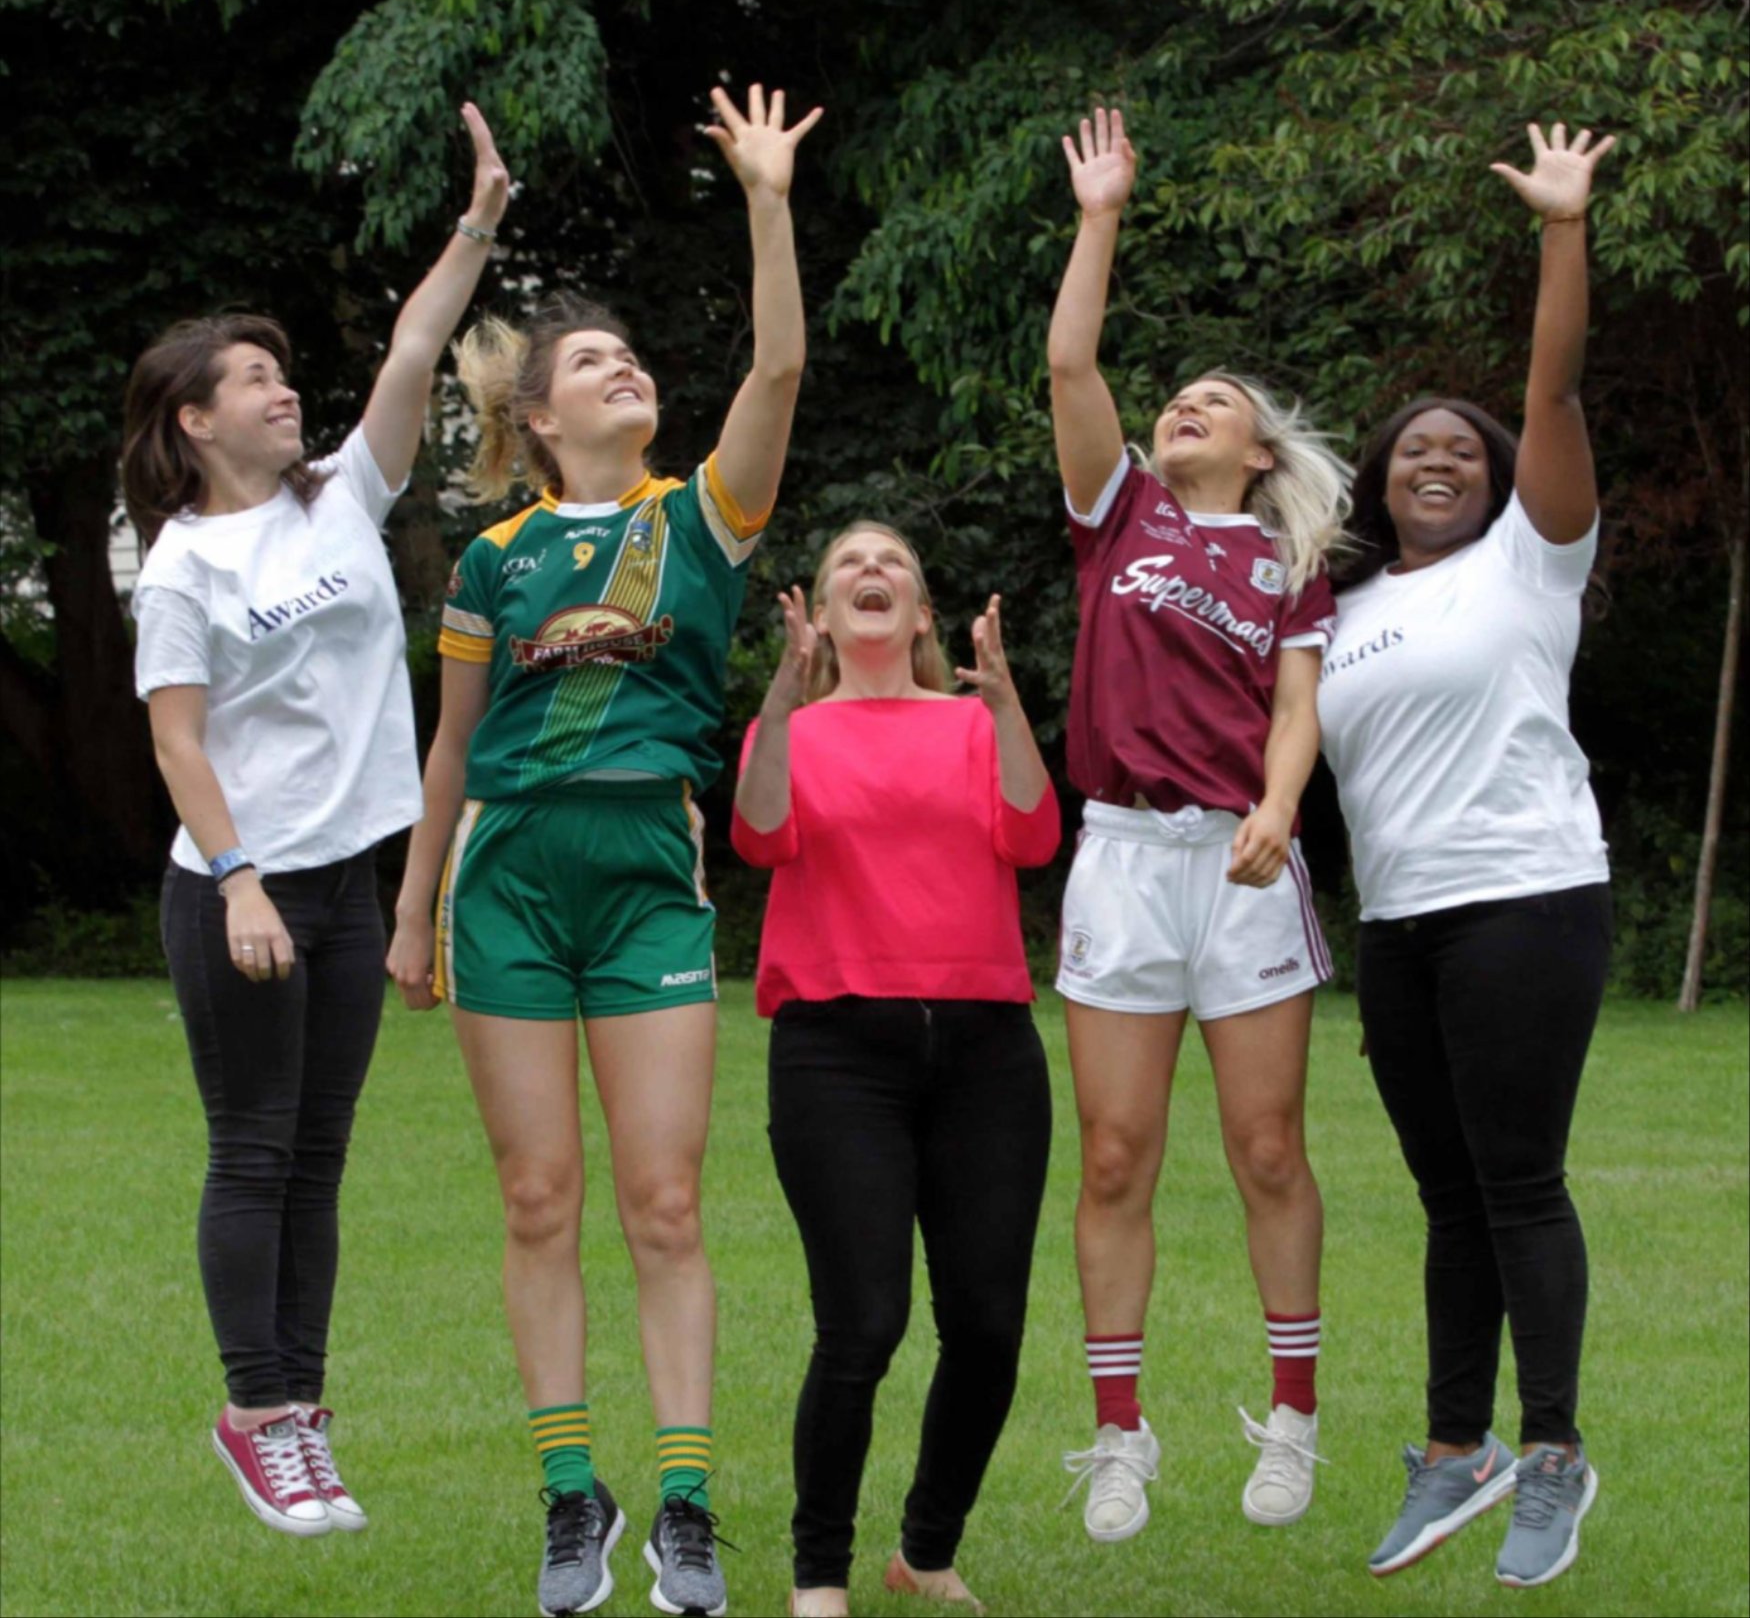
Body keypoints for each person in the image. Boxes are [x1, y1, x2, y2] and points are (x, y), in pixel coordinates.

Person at [386, 84, 820, 1618]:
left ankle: (686, 1511)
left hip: (645, 872)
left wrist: (765, 193)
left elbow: (776, 362)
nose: (621, 366)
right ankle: (574, 1495)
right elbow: (450, 752)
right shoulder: (491, 561)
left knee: (665, 1203)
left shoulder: (700, 519)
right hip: (505, 882)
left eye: (631, 355)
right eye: (589, 361)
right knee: (536, 1200)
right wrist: (411, 909)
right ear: (535, 418)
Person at [124, 106, 511, 1536]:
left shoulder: (343, 496)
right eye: (251, 380)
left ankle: (300, 1414)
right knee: (255, 1148)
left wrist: (475, 220)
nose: (283, 391)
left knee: (323, 1155)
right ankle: (261, 1414)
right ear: (192, 419)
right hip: (239, 886)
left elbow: (412, 350)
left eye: (285, 373)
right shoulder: (183, 563)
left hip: (346, 884)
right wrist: (235, 883)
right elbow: (175, 740)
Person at [1318, 122, 1617, 1591]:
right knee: (1445, 1197)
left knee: (1515, 1180)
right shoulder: (1348, 607)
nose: (1434, 458)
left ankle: (1551, 1451)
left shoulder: (1532, 557)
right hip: (1399, 926)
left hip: (1525, 900)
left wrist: (1560, 226)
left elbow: (1550, 385)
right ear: (1376, 484)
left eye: (1460, 449)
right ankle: (1454, 1449)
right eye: (1409, 449)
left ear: (1495, 479)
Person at [1046, 108, 1353, 1541]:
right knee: (1112, 1159)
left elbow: (1296, 709)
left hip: (1239, 864)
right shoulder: (1116, 520)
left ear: (1257, 446)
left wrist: (1282, 811)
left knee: (1268, 1150)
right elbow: (1069, 362)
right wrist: (1099, 214)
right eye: (1174, 397)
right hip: (1119, 858)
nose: (1184, 408)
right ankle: (1121, 1437)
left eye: (1213, 402)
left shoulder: (1284, 559)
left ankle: (1290, 1415)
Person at [733, 526, 1060, 1618]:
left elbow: (1031, 834)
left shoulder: (977, 722)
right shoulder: (786, 729)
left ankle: (925, 1547)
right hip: (836, 1051)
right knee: (862, 1324)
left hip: (985, 1053)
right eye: (845, 567)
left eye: (894, 566)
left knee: (986, 1326)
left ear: (921, 615)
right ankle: (817, 1572)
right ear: (819, 615)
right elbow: (760, 837)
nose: (870, 572)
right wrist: (780, 706)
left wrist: (1008, 703)